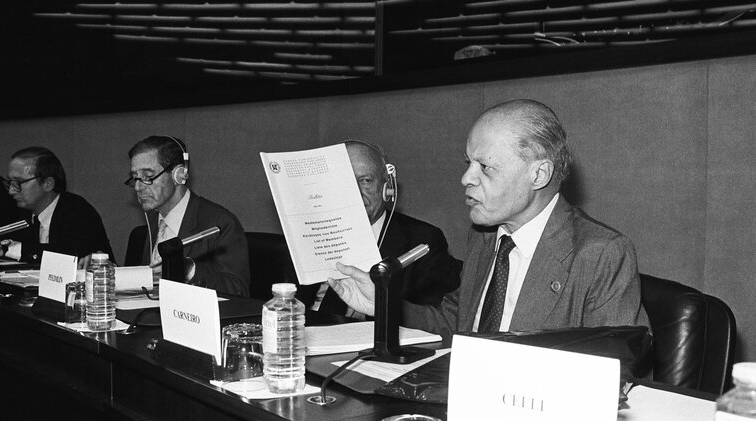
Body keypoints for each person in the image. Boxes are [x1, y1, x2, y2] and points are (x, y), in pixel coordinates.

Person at [329, 100, 649, 336]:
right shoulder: (485, 237)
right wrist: (384, 304)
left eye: (485, 167)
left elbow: (619, 372)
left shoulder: (601, 253)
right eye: (468, 163)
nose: (466, 178)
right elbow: (456, 321)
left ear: (538, 175)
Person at [295, 140, 462, 316]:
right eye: (342, 182)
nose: (353, 193)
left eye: (365, 181)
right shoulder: (309, 233)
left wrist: (385, 305)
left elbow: (433, 321)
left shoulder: (423, 241)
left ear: (386, 187)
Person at [126, 135, 250, 297]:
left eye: (148, 177)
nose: (137, 187)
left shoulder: (220, 222)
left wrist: (189, 270)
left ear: (179, 174)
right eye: (135, 178)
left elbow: (238, 289)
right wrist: (111, 273)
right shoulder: (152, 223)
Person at [1, 146, 114, 264]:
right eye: (10, 183)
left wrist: (13, 249)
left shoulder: (79, 213)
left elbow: (69, 256)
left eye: (18, 183)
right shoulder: (17, 212)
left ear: (48, 184)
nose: (11, 191)